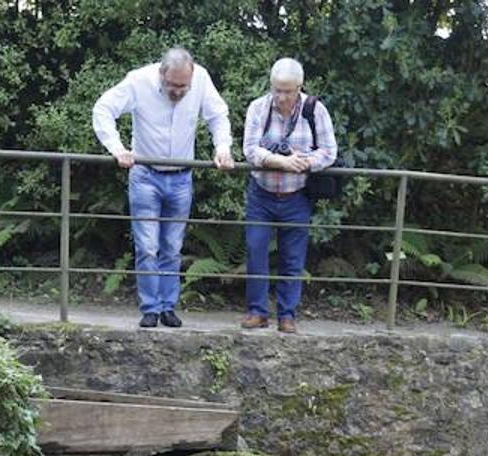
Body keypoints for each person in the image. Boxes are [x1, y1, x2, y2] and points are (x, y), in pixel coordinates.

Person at [93, 48, 235, 328]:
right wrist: (117, 148)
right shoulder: (138, 81)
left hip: (182, 177)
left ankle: (168, 307)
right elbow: (103, 109)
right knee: (147, 245)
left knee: (172, 246)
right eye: (173, 85)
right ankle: (150, 308)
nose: (179, 92)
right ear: (161, 74)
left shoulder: (202, 79)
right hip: (145, 175)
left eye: (184, 87)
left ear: (191, 77)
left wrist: (223, 148)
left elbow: (218, 115)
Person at [240, 58, 337, 334]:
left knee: (293, 259)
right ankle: (257, 311)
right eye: (277, 90)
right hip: (262, 192)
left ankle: (287, 314)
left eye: (287, 91)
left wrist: (305, 162)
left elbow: (329, 152)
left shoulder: (315, 110)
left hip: (297, 195)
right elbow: (250, 149)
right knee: (256, 251)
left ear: (299, 87)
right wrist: (279, 161)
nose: (281, 96)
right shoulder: (258, 108)